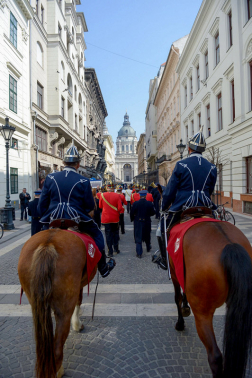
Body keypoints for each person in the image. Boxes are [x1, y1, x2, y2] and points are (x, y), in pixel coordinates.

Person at [37, 144, 115, 278]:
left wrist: (44, 216)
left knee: (37, 237)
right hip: (76, 218)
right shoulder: (83, 180)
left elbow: (41, 206)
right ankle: (103, 267)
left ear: (63, 162)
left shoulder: (50, 178)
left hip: (52, 218)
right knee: (97, 234)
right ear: (78, 164)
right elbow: (90, 205)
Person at [153, 127, 217, 270]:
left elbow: (170, 191)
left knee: (161, 230)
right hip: (206, 205)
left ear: (189, 148)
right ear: (203, 149)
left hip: (184, 205)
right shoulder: (212, 167)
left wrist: (164, 207)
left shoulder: (181, 164)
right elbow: (210, 189)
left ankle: (164, 259)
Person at [99, 182, 122, 257]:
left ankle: (110, 251)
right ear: (113, 188)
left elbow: (100, 206)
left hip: (106, 218)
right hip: (115, 218)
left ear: (107, 187)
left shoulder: (102, 195)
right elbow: (119, 208)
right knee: (115, 233)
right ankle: (116, 248)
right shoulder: (117, 195)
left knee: (108, 234)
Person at [130, 190, 155, 258]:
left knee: (138, 237)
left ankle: (139, 253)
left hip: (138, 221)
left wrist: (132, 219)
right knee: (147, 235)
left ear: (139, 196)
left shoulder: (135, 203)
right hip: (146, 221)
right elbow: (153, 213)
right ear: (146, 195)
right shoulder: (149, 203)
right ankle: (148, 247)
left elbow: (132, 213)